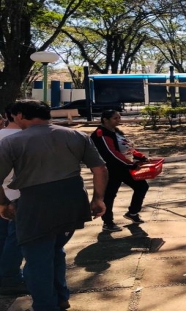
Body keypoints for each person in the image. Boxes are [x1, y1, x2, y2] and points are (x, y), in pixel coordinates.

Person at [0, 100, 108, 311]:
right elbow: (100, 169)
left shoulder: (13, 142)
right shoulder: (75, 135)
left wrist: (3, 204)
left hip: (35, 204)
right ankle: (60, 297)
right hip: (72, 201)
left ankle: (45, 305)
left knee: (37, 260)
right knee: (56, 250)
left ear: (20, 115)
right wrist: (98, 199)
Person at [91, 110, 149, 232]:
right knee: (109, 195)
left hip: (122, 167)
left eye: (119, 117)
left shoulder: (116, 131)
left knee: (142, 186)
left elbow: (126, 147)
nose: (119, 120)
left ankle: (132, 212)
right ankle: (108, 223)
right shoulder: (101, 134)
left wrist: (140, 156)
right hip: (110, 170)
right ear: (105, 120)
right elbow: (111, 153)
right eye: (115, 118)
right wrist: (130, 164)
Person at [0, 105, 26, 296]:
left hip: (4, 195)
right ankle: (10, 279)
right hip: (15, 196)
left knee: (4, 239)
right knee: (15, 240)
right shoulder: (22, 139)